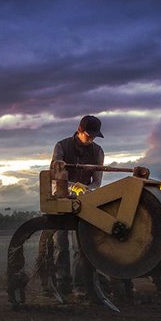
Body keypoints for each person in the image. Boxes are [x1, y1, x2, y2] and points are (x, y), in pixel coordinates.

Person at [51, 115, 104, 295]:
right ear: (80, 130)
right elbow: (54, 176)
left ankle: (80, 285)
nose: (92, 139)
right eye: (89, 135)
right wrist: (73, 186)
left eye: (95, 136)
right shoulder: (61, 147)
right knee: (61, 243)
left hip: (84, 201)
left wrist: (87, 190)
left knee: (81, 245)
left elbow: (97, 181)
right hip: (61, 198)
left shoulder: (97, 152)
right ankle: (62, 284)